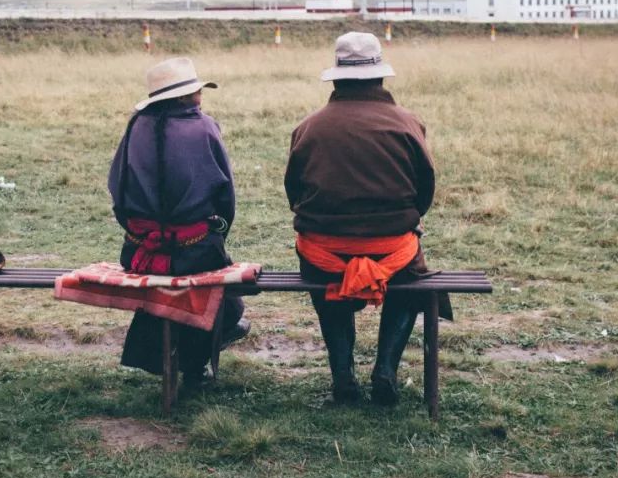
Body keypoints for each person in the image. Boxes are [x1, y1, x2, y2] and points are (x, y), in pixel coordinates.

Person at [284, 31, 446, 406]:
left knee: (327, 283)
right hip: (393, 253)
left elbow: (294, 194)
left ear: (337, 77)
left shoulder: (309, 127)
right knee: (410, 280)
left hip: (324, 255)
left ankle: (343, 376)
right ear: (380, 76)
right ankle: (385, 371)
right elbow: (425, 195)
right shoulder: (408, 123)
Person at [108, 56, 248, 386]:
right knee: (222, 298)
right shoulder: (204, 128)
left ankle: (183, 360)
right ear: (185, 96)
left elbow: (118, 191)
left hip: (139, 251)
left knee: (177, 285)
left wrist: (140, 233)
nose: (200, 94)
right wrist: (217, 231)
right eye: (195, 89)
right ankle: (197, 363)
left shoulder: (135, 126)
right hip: (194, 251)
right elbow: (225, 198)